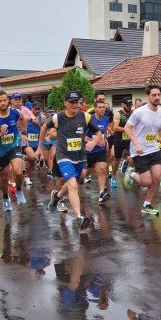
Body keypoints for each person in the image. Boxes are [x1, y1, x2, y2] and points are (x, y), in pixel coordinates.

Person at [38, 90, 103, 230]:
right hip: (63, 156)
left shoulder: (85, 117)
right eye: (72, 102)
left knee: (78, 178)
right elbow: (44, 128)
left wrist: (94, 142)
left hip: (79, 156)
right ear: (65, 103)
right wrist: (39, 147)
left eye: (77, 102)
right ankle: (79, 217)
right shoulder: (57, 118)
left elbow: (98, 133)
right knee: (73, 184)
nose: (75, 105)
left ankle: (57, 195)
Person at [122, 85, 161, 215]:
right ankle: (131, 173)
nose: (157, 97)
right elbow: (127, 128)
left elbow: (160, 130)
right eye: (154, 95)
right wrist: (137, 144)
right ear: (148, 96)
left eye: (158, 95)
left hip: (153, 149)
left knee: (157, 177)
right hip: (139, 150)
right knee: (146, 182)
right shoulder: (139, 112)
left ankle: (147, 204)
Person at [0, 91, 27, 211]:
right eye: (0, 101)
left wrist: (23, 133)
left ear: (8, 100)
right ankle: (5, 198)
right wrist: (0, 134)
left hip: (14, 144)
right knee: (4, 178)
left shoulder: (15, 112)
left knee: (18, 172)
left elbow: (23, 119)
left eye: (4, 100)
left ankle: (18, 190)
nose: (2, 103)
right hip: (0, 149)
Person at [85, 100, 111, 204]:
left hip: (100, 151)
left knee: (102, 169)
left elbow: (103, 134)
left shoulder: (105, 119)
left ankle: (101, 193)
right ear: (95, 108)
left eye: (103, 107)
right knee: (85, 172)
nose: (102, 109)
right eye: (99, 107)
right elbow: (84, 137)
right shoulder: (90, 120)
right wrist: (95, 142)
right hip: (89, 151)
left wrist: (106, 141)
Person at [111, 97, 134, 181]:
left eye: (130, 105)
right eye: (127, 106)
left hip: (129, 140)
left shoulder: (133, 114)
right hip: (119, 140)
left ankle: (129, 175)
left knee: (134, 157)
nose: (129, 107)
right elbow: (115, 127)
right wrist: (126, 129)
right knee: (117, 160)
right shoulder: (118, 114)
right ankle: (113, 176)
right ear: (122, 105)